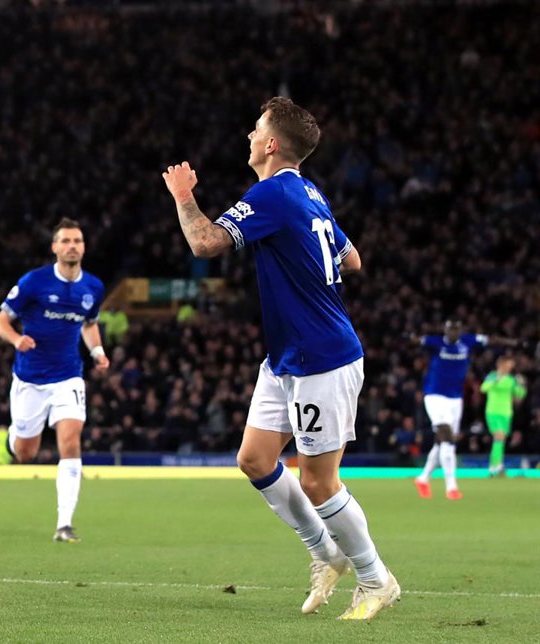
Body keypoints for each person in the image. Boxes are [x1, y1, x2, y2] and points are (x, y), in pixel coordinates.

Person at [162, 97, 399, 620]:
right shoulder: (310, 193)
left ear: (271, 144)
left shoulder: (272, 193)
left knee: (318, 481)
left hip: (322, 358)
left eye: (255, 129)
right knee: (255, 459)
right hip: (286, 355)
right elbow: (352, 259)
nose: (249, 136)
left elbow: (205, 242)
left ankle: (376, 579)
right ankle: (327, 554)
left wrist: (183, 195)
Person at [0, 218, 109, 542]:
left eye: (77, 241)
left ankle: (64, 524)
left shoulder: (93, 287)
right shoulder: (34, 282)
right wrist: (16, 339)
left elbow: (89, 324)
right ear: (55, 247)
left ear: (84, 247)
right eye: (66, 241)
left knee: (70, 441)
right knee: (25, 453)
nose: (72, 246)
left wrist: (97, 351)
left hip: (68, 377)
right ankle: (13, 436)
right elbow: (0, 322)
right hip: (29, 379)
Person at [410, 321, 516, 498]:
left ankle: (423, 478)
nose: (453, 333)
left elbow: (490, 340)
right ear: (445, 330)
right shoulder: (435, 343)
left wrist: (510, 342)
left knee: (442, 441)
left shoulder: (468, 342)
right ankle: (451, 487)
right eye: (450, 330)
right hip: (435, 396)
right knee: (447, 436)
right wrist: (411, 336)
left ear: (460, 331)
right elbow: (416, 341)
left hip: (455, 399)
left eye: (456, 330)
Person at [480, 355, 527, 478]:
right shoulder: (492, 376)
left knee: (500, 440)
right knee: (499, 436)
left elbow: (520, 394)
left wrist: (521, 385)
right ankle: (494, 468)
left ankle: (496, 466)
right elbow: (483, 388)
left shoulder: (512, 379)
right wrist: (495, 380)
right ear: (501, 364)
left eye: (511, 365)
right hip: (493, 411)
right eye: (509, 364)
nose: (510, 367)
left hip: (506, 413)